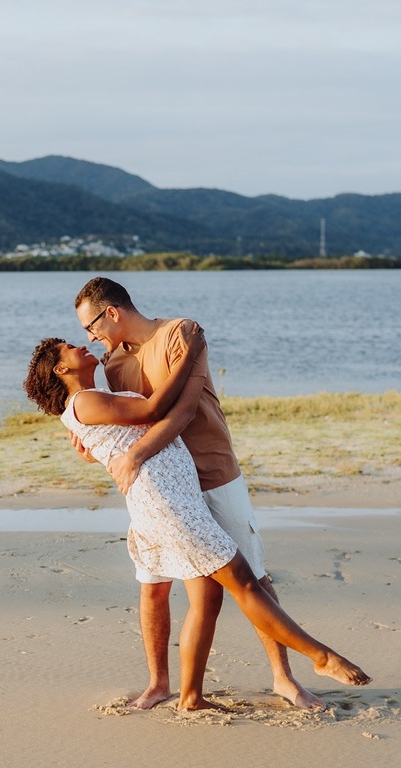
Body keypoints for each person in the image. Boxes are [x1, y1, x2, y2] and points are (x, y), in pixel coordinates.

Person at [23, 338, 371, 711]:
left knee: (208, 596)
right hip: (168, 506)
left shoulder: (90, 399)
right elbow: (154, 408)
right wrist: (188, 358)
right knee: (244, 582)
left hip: (176, 501)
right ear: (61, 370)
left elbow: (112, 440)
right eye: (70, 347)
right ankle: (320, 657)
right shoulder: (84, 402)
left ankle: (190, 697)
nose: (82, 344)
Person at [73, 276, 326, 711]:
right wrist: (93, 443)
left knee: (255, 578)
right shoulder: (112, 364)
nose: (90, 337)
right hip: (160, 488)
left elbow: (182, 411)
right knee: (153, 585)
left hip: (211, 473)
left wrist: (133, 456)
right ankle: (158, 684)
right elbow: (126, 424)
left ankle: (284, 678)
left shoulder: (180, 333)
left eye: (91, 325)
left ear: (111, 312)